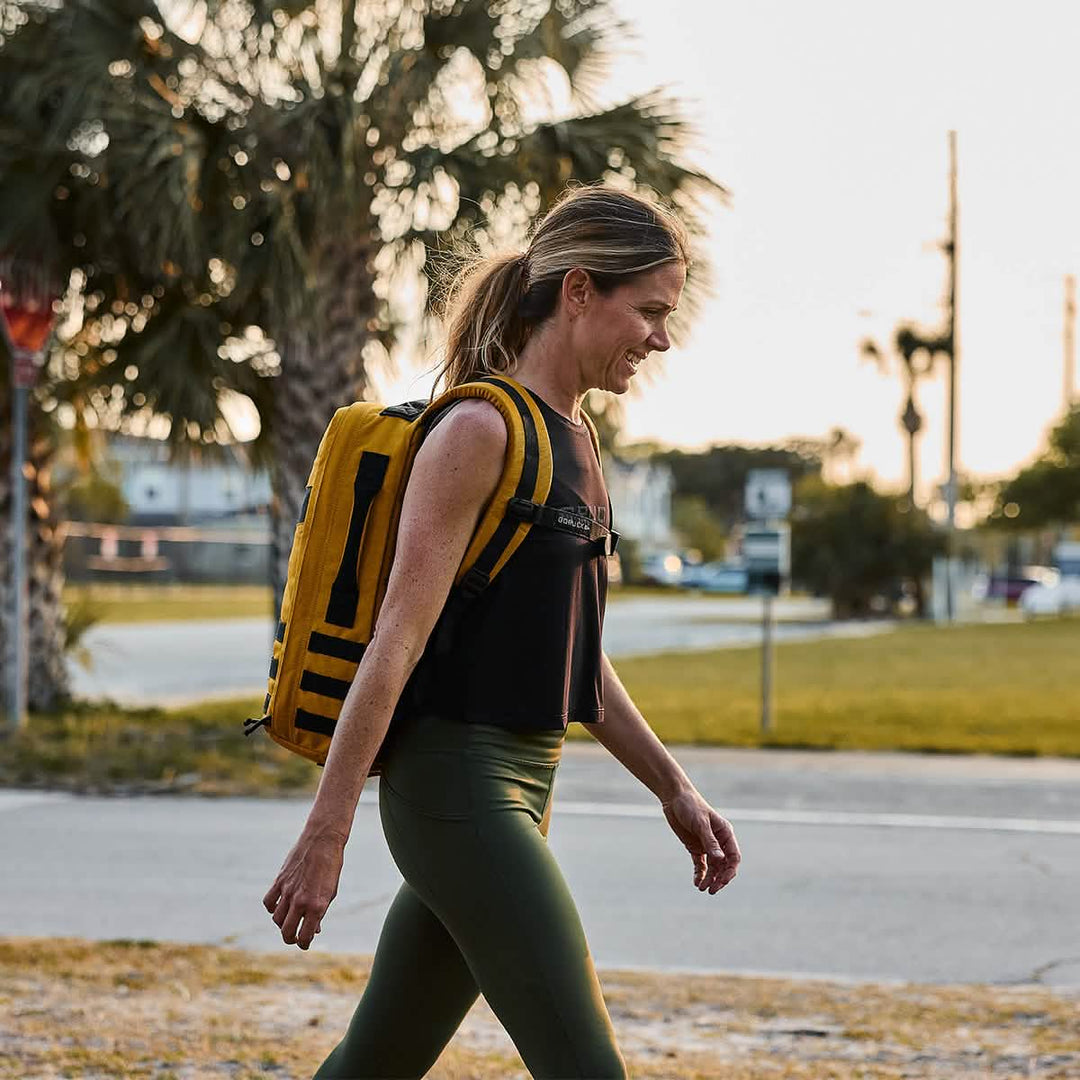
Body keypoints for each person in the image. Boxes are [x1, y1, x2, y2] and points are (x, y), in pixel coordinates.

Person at [263, 184, 742, 1080]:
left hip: (524, 787)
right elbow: (396, 640)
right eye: (649, 312)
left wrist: (674, 790)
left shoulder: (579, 440)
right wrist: (327, 832)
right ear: (578, 291)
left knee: (376, 1063)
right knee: (586, 1068)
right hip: (456, 785)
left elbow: (580, 659)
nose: (661, 339)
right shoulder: (479, 430)